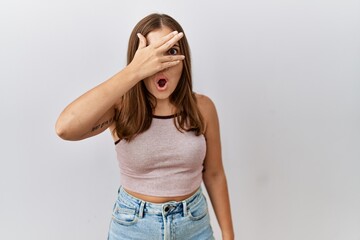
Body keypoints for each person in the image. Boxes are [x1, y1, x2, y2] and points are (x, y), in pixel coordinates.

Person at [55, 13, 234, 240]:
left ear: (184, 59)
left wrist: (229, 235)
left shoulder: (203, 107)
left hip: (194, 227)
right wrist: (134, 71)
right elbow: (65, 127)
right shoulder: (121, 108)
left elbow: (215, 174)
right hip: (133, 228)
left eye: (170, 51)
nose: (160, 63)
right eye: (151, 54)